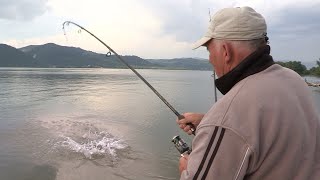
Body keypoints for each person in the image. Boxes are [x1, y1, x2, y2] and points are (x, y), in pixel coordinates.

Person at [177, 6, 320, 180]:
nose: (209, 59)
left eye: (209, 50)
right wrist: (208, 122)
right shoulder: (293, 79)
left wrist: (186, 169)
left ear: (225, 51)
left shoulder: (226, 116)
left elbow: (233, 121)